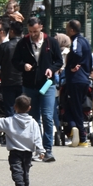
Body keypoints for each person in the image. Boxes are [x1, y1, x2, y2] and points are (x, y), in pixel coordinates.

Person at [13, 17, 63, 162]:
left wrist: (51, 69)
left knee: (47, 116)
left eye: (35, 31)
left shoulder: (51, 42)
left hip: (47, 84)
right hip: (30, 86)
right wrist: (23, 66)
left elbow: (59, 61)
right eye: (30, 31)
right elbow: (15, 61)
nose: (33, 34)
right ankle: (38, 149)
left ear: (41, 27)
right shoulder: (23, 43)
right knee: (34, 119)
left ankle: (48, 149)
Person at [0, 95, 44, 186]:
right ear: (29, 108)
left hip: (15, 152)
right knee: (25, 172)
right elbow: (37, 137)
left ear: (15, 107)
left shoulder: (9, 121)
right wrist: (40, 150)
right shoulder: (33, 122)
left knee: (16, 171)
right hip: (28, 152)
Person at [62, 20, 93, 146]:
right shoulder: (85, 41)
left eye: (67, 28)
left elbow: (76, 53)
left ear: (71, 30)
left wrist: (71, 65)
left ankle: (82, 136)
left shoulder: (77, 41)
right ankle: (73, 128)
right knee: (74, 106)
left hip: (76, 79)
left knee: (75, 107)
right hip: (84, 78)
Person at [0, 20, 23, 118]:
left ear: (11, 31)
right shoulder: (26, 46)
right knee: (23, 109)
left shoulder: (3, 47)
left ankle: (11, 131)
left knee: (9, 109)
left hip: (8, 83)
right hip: (23, 82)